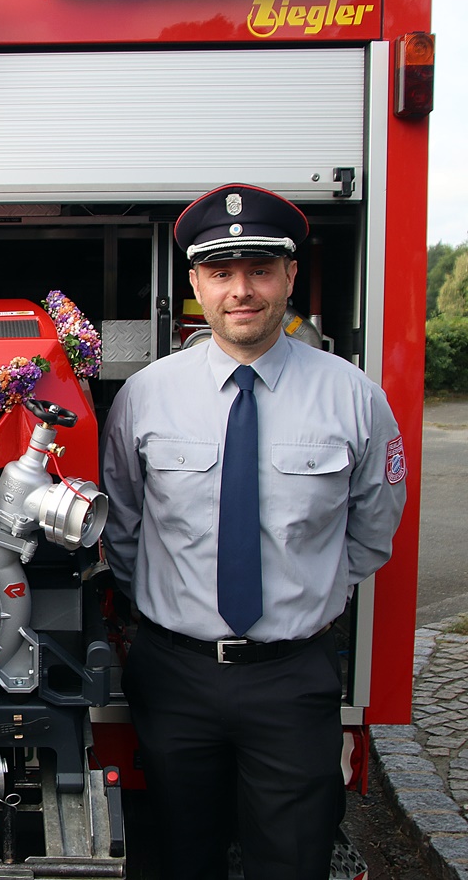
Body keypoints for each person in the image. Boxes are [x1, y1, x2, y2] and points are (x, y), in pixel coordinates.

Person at [101, 184, 407, 880]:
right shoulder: (145, 395)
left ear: (291, 275)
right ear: (195, 285)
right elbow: (123, 528)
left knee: (291, 860)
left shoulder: (353, 396)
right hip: (174, 674)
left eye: (261, 269)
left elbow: (372, 529)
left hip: (293, 676)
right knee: (180, 853)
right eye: (221, 272)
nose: (242, 290)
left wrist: (310, 599)